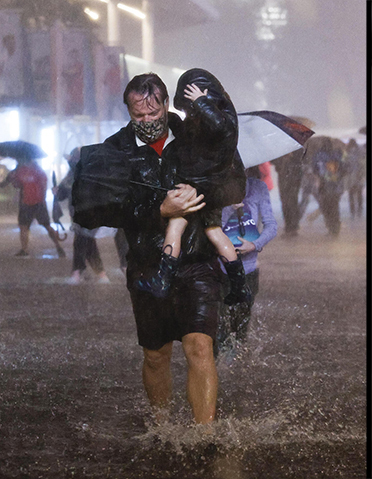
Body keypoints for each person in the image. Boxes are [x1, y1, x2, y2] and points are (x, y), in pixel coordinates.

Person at [91, 72, 247, 425]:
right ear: (129, 111)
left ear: (165, 104)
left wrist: (199, 194)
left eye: (152, 113)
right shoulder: (117, 151)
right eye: (138, 116)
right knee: (156, 355)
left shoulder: (197, 133)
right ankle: (161, 426)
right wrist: (159, 209)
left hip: (198, 260)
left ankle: (203, 435)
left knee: (200, 346)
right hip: (148, 262)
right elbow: (106, 207)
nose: (146, 121)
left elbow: (235, 187)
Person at [134, 69, 250, 304]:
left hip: (199, 186)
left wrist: (201, 101)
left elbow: (220, 127)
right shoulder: (211, 125)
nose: (190, 111)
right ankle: (240, 286)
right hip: (212, 186)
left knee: (176, 224)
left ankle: (163, 281)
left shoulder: (222, 121)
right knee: (215, 232)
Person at [219, 165, 278, 344]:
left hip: (249, 268)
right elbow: (210, 227)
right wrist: (229, 207)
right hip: (220, 268)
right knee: (221, 323)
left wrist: (254, 245)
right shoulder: (217, 189)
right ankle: (218, 364)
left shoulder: (258, 187)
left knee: (241, 324)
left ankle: (237, 363)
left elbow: (271, 225)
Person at [55, 147, 110, 284]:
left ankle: (77, 273)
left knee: (80, 242)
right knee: (88, 243)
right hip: (79, 215)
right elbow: (62, 195)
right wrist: (57, 192)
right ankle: (101, 274)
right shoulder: (71, 176)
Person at [0, 156, 65, 258]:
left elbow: (41, 185)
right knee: (28, 226)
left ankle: (28, 249)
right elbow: (19, 185)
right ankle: (55, 246)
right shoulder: (29, 171)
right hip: (31, 203)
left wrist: (42, 198)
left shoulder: (30, 171)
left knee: (31, 226)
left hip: (32, 203)